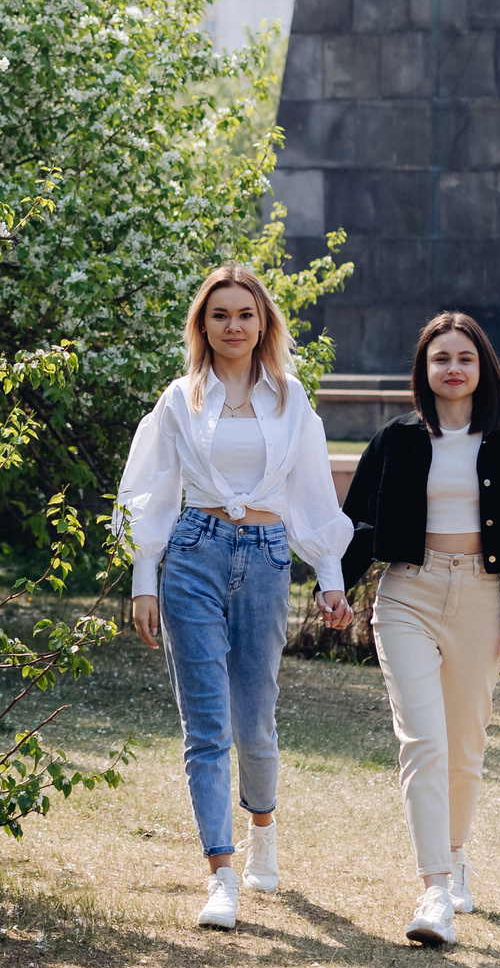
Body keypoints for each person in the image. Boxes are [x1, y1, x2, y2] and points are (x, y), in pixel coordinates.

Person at [117, 264, 355, 930]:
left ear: (263, 323)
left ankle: (264, 832)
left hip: (267, 556)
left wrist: (330, 577)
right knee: (207, 728)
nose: (232, 325)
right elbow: (151, 490)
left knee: (254, 722)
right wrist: (145, 578)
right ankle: (221, 875)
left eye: (244, 314)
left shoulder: (291, 398)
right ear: (203, 324)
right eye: (219, 314)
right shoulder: (180, 399)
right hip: (193, 552)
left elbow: (312, 491)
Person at [337, 311, 500, 948]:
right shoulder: (397, 439)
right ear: (423, 371)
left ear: (482, 369)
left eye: (463, 357)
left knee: (464, 746)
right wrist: (335, 586)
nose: (451, 368)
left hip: (481, 600)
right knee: (423, 741)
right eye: (440, 358)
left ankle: (456, 855)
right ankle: (434, 889)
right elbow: (358, 522)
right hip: (408, 593)